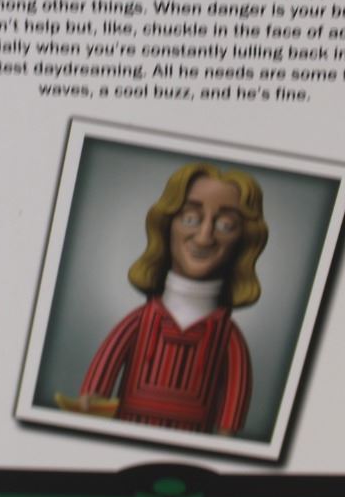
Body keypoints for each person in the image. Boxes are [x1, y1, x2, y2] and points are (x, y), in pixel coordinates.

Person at [63, 162, 267, 435]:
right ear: (166, 225)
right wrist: (92, 400)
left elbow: (234, 399)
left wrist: (224, 437)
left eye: (225, 225)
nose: (204, 237)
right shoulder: (139, 321)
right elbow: (97, 386)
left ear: (243, 241)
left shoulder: (228, 338)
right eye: (191, 219)